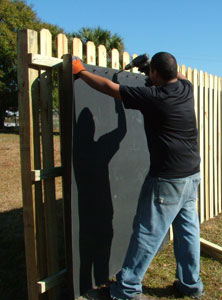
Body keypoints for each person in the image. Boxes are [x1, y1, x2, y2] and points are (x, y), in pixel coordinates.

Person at [72, 52, 204, 300]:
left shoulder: (153, 96)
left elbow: (109, 87)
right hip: (191, 174)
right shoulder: (186, 89)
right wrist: (148, 70)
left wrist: (80, 71)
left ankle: (126, 289)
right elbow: (178, 76)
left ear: (155, 73)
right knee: (188, 231)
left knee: (147, 232)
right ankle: (191, 285)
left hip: (167, 178)